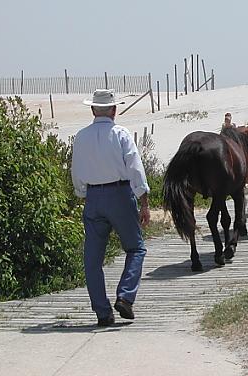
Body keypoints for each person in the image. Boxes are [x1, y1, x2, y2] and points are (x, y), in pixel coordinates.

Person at [71, 89, 151, 327]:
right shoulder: (121, 134)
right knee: (135, 248)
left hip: (94, 196)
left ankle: (102, 311)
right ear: (114, 109)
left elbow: (76, 171)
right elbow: (135, 168)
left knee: (92, 259)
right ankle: (125, 296)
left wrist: (83, 194)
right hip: (120, 194)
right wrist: (143, 201)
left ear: (93, 109)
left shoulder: (81, 136)